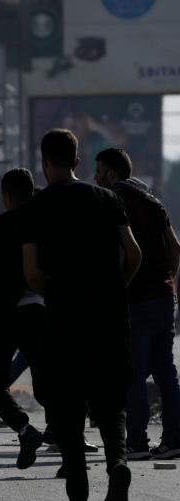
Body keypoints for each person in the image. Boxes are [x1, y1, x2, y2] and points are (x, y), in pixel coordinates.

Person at [21, 129, 141, 501]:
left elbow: (32, 272)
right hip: (109, 313)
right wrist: (114, 286)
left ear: (44, 161)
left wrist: (56, 292)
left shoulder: (36, 207)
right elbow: (133, 254)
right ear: (77, 162)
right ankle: (118, 463)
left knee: (67, 407)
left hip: (65, 316)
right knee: (110, 401)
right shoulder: (108, 198)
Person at [95, 147, 180, 460]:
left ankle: (137, 442)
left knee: (133, 372)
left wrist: (117, 290)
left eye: (99, 171)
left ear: (113, 173)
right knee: (166, 372)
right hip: (163, 297)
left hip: (136, 300)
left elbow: (123, 254)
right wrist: (171, 283)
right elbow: (175, 249)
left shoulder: (113, 202)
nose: (95, 178)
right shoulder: (152, 201)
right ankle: (173, 438)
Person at [0, 168, 51, 469]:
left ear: (5, 196)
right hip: (39, 311)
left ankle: (25, 429)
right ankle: (69, 446)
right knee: (48, 384)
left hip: (5, 313)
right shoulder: (47, 223)